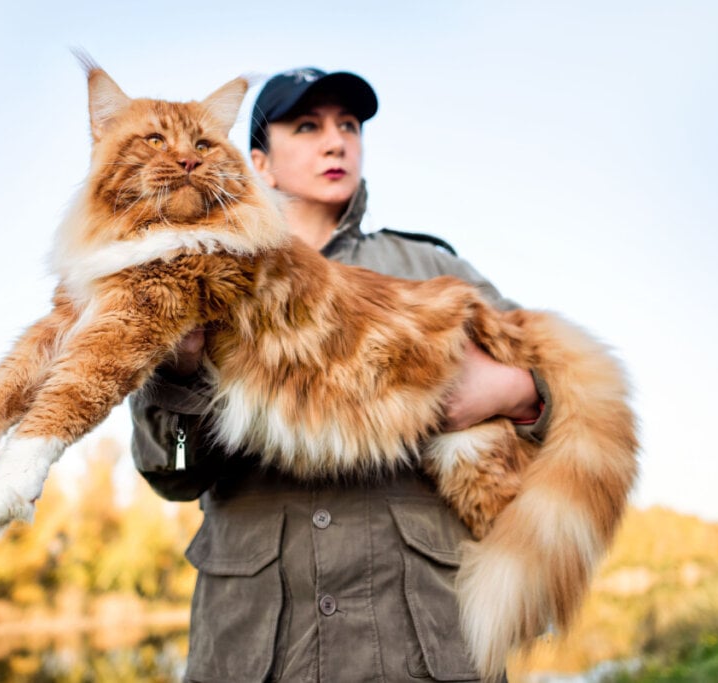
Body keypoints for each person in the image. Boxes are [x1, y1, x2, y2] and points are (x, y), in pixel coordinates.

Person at [129, 68, 551, 683]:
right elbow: (173, 470)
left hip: (427, 645)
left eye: (348, 126)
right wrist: (182, 374)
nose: (337, 142)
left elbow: (561, 384)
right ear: (259, 164)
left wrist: (517, 393)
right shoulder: (201, 268)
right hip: (257, 651)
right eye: (307, 126)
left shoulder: (428, 265)